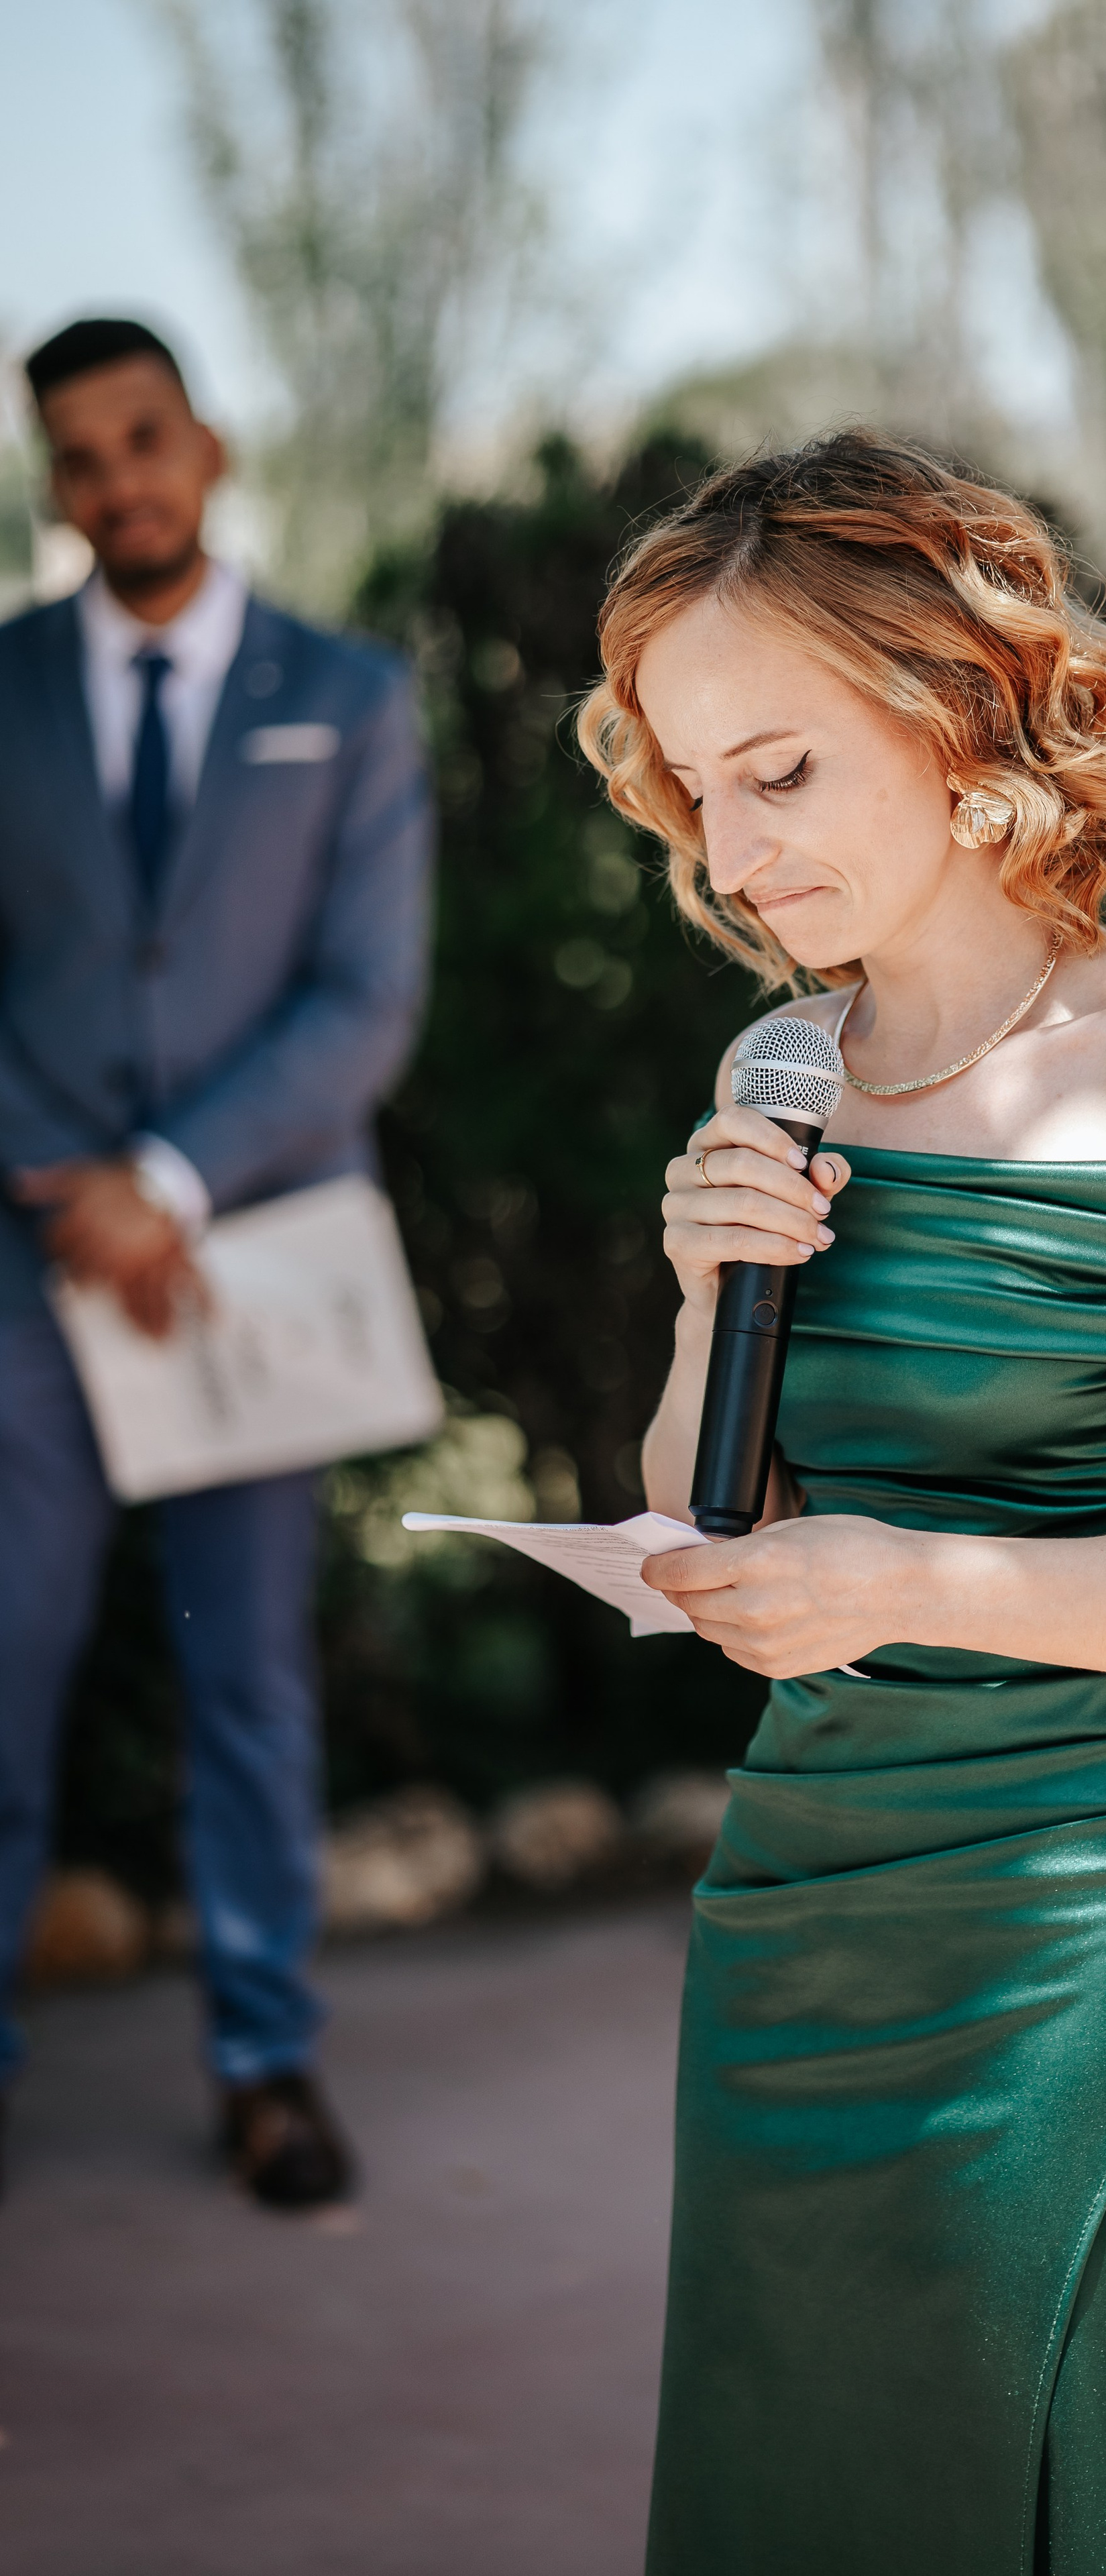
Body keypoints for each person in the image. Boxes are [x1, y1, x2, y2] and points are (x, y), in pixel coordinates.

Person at [577, 431, 1106, 2573]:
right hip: (793, 1916)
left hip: (1065, 1930)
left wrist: (914, 1575)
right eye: (695, 789)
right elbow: (708, 1522)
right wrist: (700, 1306)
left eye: (782, 773)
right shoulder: (782, 1072)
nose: (735, 851)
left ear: (949, 715)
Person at [0, 319, 433, 2208]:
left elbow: (368, 1000)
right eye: (78, 460)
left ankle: (268, 2058)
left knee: (247, 1678)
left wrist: (166, 1183)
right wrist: (72, 1189)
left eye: (145, 440)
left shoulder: (347, 697)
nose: (118, 485)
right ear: (50, 485)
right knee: (2, 1667)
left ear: (214, 448)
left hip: (253, 1262)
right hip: (32, 1272)